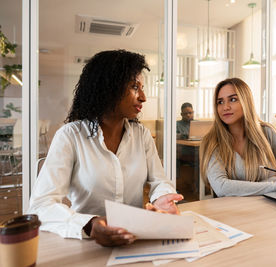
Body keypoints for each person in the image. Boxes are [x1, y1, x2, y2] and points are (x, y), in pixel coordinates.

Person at [28, 50, 183, 247]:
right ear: (108, 88)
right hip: (86, 244)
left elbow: (158, 181)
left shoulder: (141, 135)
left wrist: (162, 197)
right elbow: (40, 206)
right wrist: (90, 225)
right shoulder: (70, 136)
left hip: (134, 240)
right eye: (135, 87)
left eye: (142, 88)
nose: (143, 97)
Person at [200, 78, 276, 197]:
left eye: (233, 99)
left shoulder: (268, 133)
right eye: (220, 102)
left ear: (247, 102)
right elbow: (222, 187)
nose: (225, 107)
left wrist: (242, 188)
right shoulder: (212, 141)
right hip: (233, 212)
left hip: (271, 207)